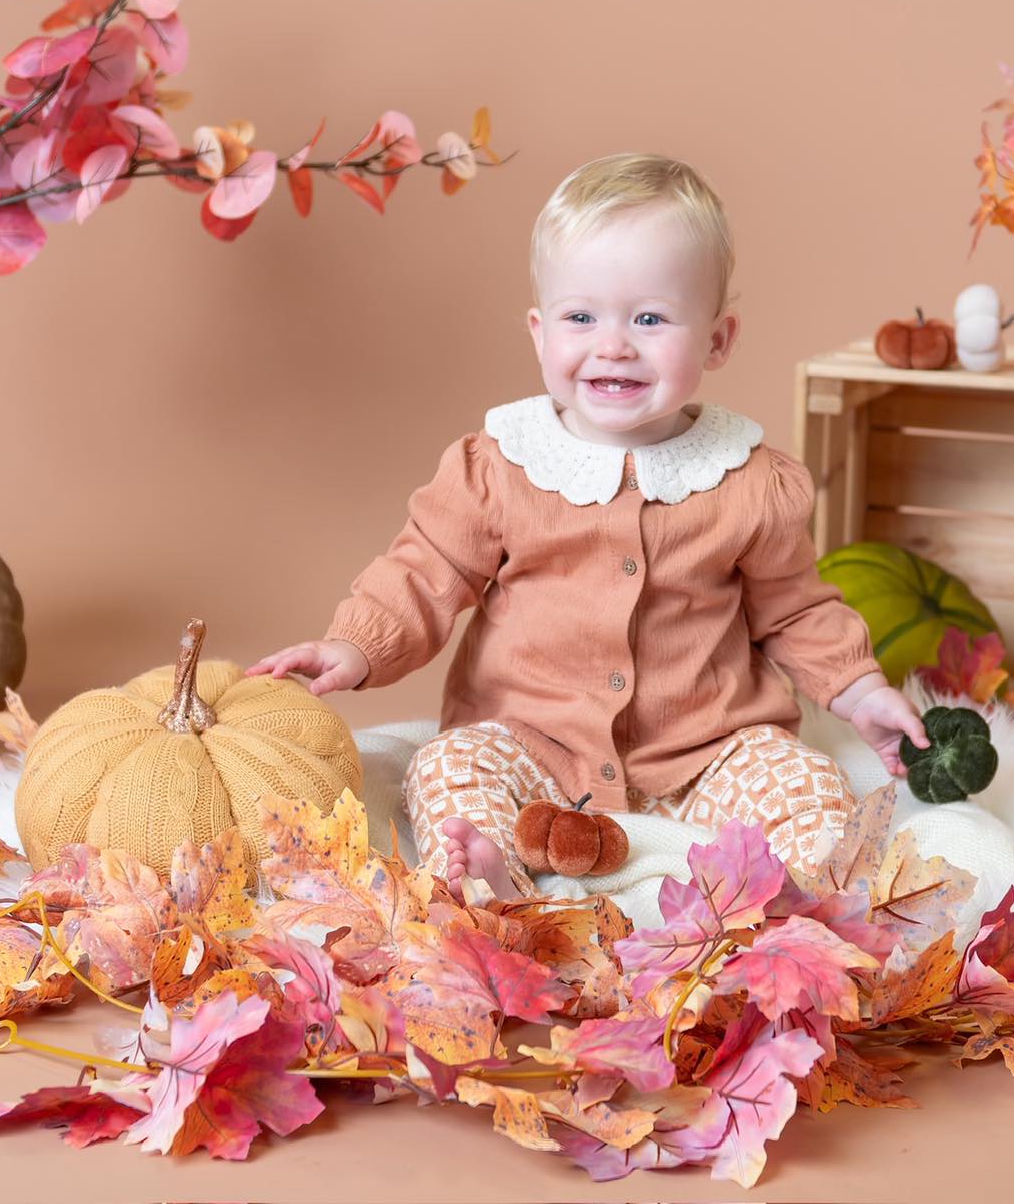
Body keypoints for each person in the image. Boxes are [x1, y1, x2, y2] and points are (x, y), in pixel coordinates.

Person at [248, 153, 926, 901]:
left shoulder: (747, 479)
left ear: (718, 339)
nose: (613, 345)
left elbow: (796, 608)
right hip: (535, 747)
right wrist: (355, 644)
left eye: (650, 318)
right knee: (445, 765)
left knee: (805, 782)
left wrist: (859, 691)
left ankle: (784, 908)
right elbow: (423, 571)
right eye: (582, 317)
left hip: (704, 751)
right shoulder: (499, 466)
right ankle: (490, 879)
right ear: (541, 333)